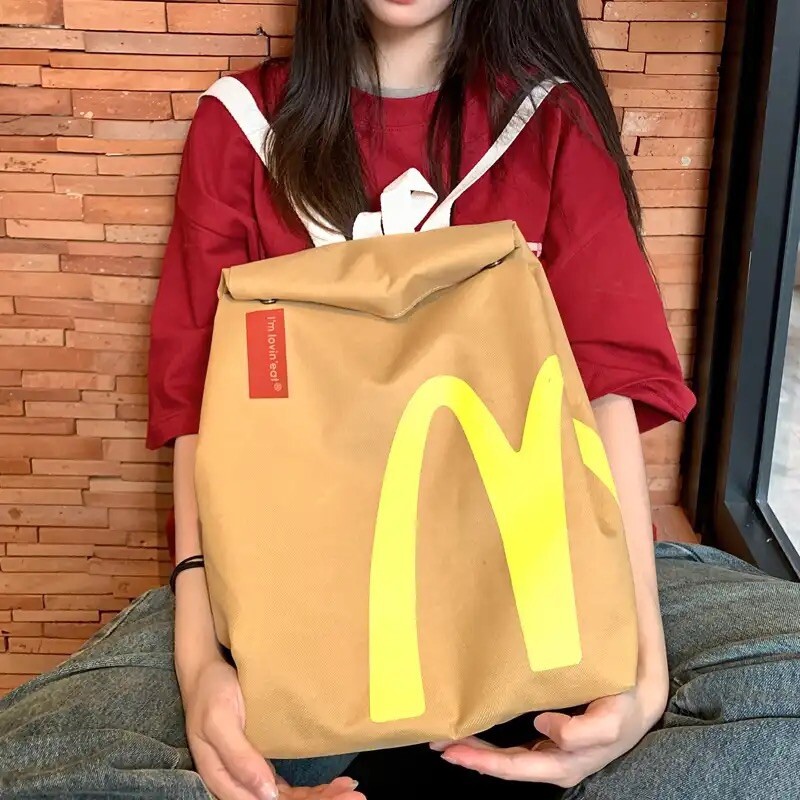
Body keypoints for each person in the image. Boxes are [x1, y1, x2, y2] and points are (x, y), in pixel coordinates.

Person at [1, 1, 799, 799]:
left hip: (538, 580)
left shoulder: (551, 119)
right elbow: (196, 411)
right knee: (58, 760)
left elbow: (606, 390)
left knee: (784, 689)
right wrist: (200, 659)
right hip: (292, 601)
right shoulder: (242, 123)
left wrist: (643, 671)